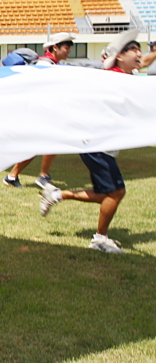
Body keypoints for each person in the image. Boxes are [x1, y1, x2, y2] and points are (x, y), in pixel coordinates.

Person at [39, 35, 142, 254]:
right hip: (95, 142)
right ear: (120, 56)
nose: (140, 55)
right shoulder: (112, 79)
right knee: (116, 192)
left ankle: (57, 195)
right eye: (135, 51)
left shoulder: (124, 77)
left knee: (105, 193)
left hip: (99, 142)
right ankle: (100, 239)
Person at [3, 33, 75, 188]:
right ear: (55, 48)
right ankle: (38, 176)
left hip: (41, 112)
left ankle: (16, 176)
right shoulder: (46, 65)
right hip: (39, 112)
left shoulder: (49, 64)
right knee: (41, 144)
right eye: (66, 48)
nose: (68, 51)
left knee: (45, 144)